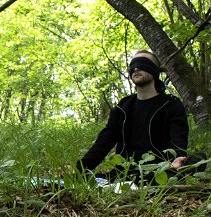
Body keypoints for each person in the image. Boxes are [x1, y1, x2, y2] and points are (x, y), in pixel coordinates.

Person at [77, 50, 192, 182]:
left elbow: (178, 138)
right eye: (133, 65)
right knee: (93, 180)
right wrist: (81, 169)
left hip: (159, 170)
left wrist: (178, 159)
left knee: (196, 160)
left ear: (154, 71)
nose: (136, 68)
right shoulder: (122, 108)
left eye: (142, 64)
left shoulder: (171, 105)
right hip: (125, 172)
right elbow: (104, 142)